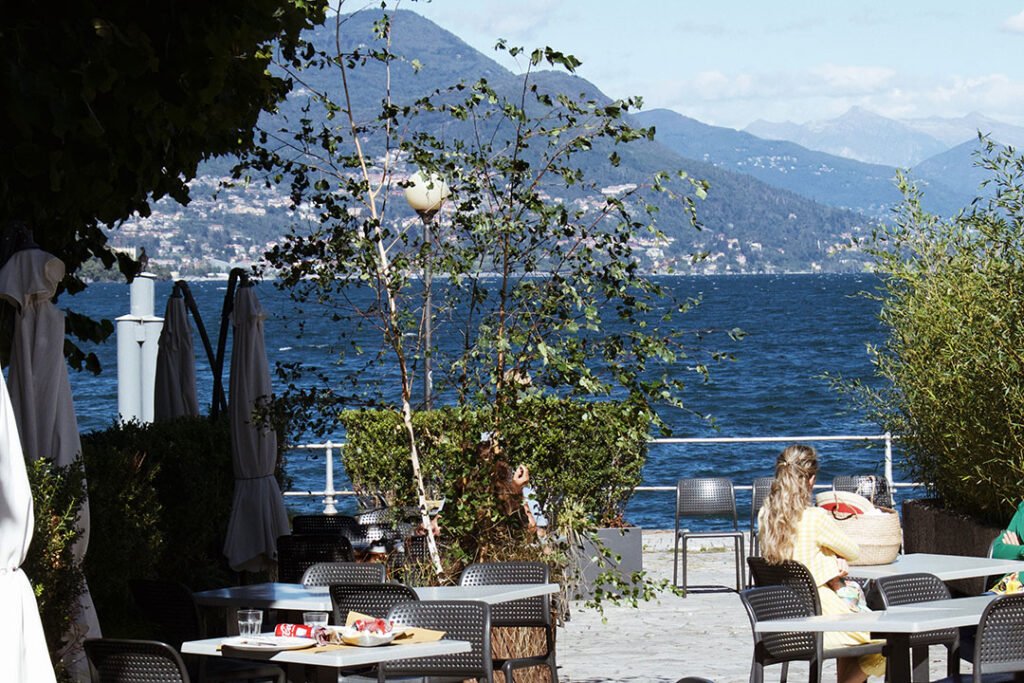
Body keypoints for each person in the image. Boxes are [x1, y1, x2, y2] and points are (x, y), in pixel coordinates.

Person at [759, 444, 885, 683]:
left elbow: (797, 558)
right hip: (821, 618)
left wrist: (828, 559)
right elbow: (853, 551)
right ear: (811, 480)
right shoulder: (814, 517)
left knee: (858, 644)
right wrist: (834, 558)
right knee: (890, 640)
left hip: (782, 619)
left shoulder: (765, 516)